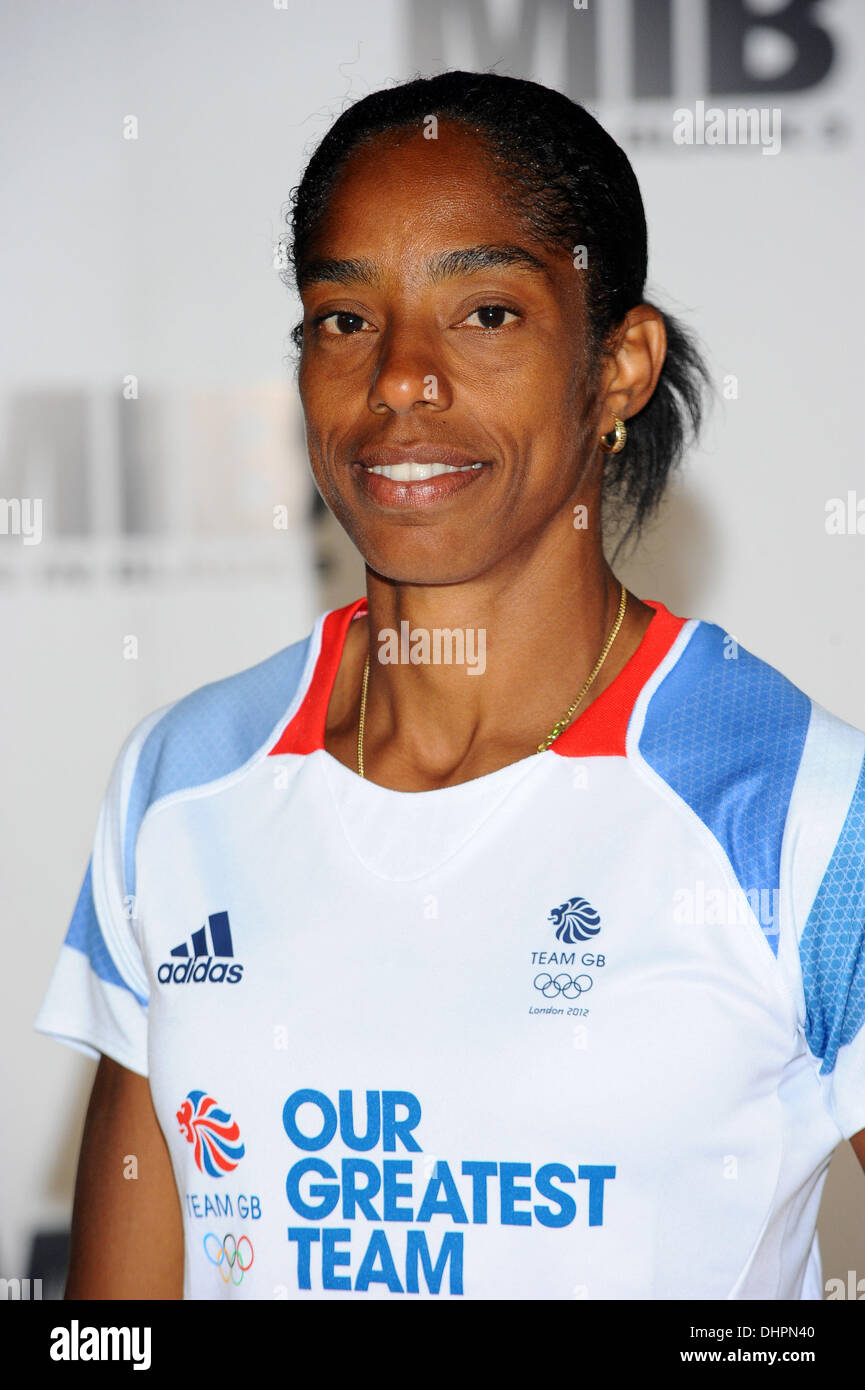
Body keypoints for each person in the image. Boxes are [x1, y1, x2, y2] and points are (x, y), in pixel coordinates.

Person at [36, 70, 865, 1301]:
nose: (400, 381)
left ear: (621, 363)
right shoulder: (184, 780)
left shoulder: (797, 808)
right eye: (343, 318)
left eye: (484, 313)